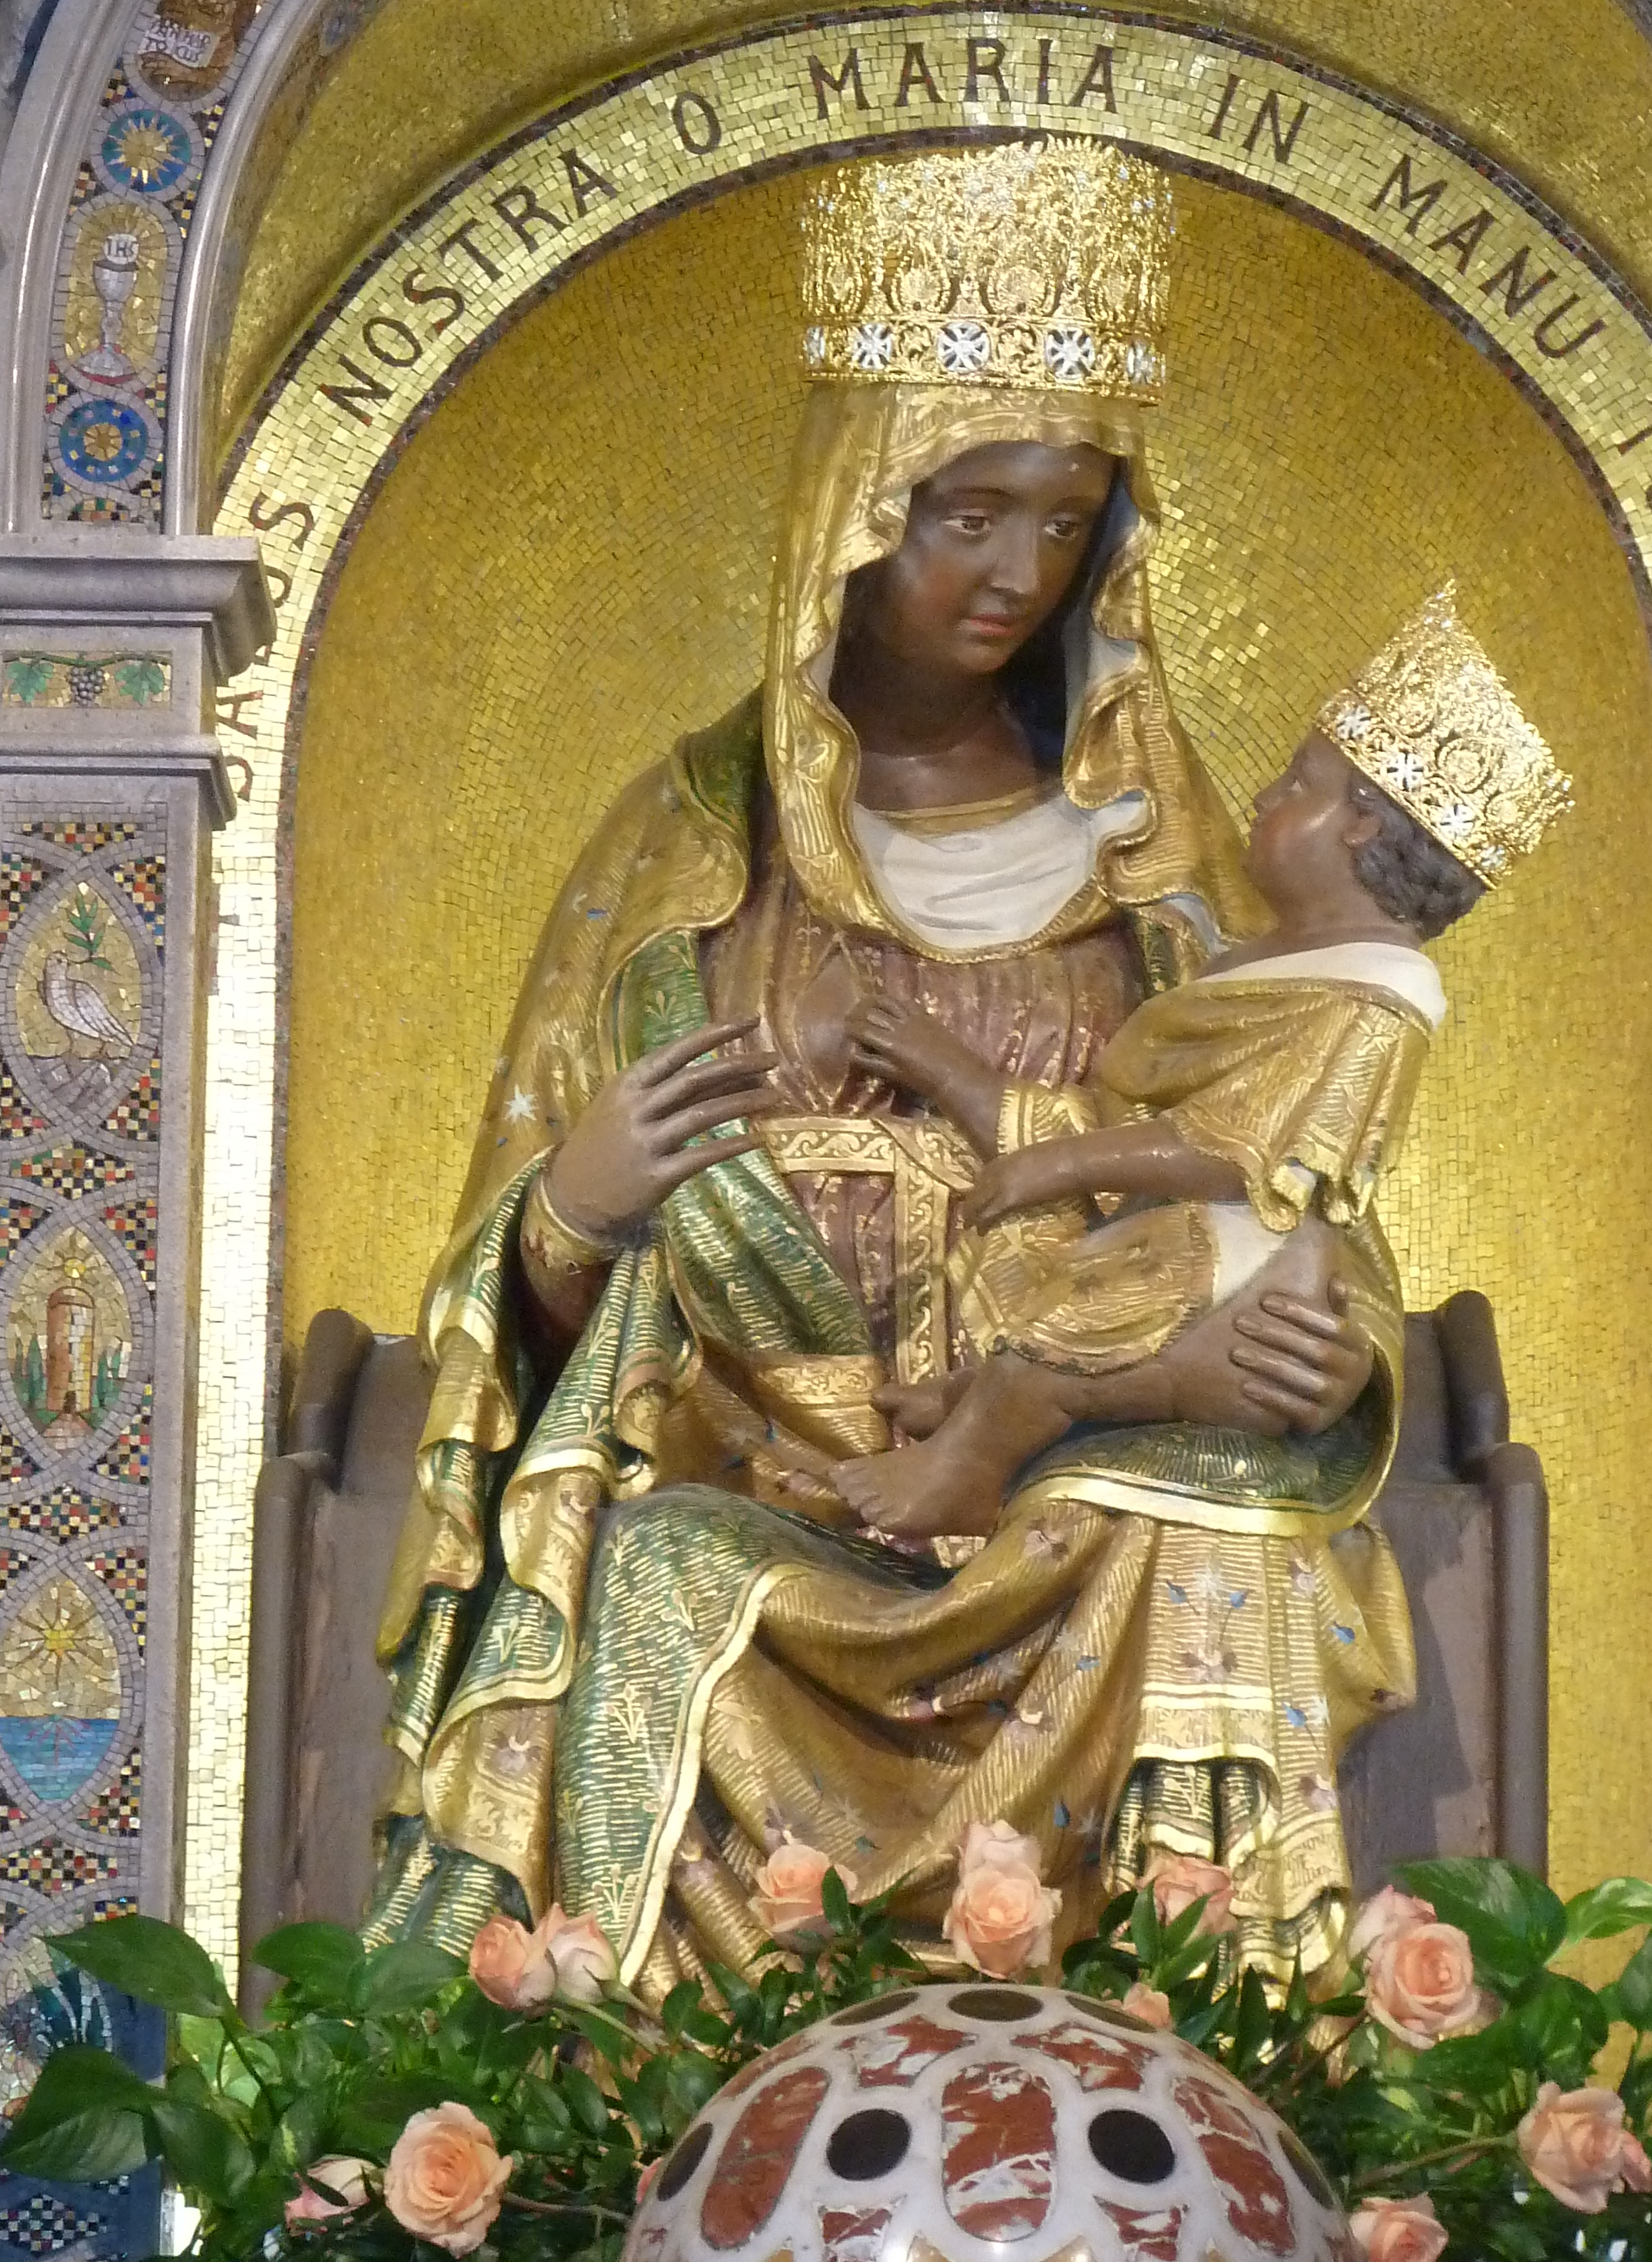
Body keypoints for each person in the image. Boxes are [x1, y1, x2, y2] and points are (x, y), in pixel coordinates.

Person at [370, 141, 1416, 1991]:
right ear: (855, 515)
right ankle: (634, 2089)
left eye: (1066, 522)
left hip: (1084, 1491)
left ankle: (1211, 2035)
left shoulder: (1161, 864)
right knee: (649, 1577)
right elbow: (513, 1338)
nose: (1019, 574)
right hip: (777, 1491)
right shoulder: (690, 856)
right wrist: (578, 1209)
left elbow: (1293, 1162)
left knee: (1218, 1540)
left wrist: (1333, 1343)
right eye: (969, 515)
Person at [832, 594, 1569, 1540]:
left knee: (1101, 1359)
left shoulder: (1324, 980)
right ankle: (983, 1409)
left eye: (1296, 784)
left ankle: (976, 1448)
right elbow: (1139, 1123)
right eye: (967, 525)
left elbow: (1268, 1168)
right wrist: (959, 1079)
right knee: (1062, 1304)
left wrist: (1352, 1355)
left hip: (1208, 1323)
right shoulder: (1271, 962)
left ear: (1360, 829)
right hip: (901, 1357)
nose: (1264, 796)